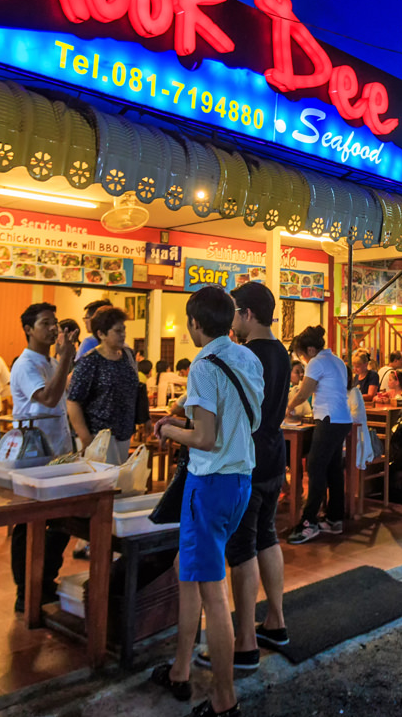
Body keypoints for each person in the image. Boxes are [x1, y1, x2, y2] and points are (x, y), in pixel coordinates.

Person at [149, 287, 258, 717]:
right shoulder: (246, 357)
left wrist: (169, 430)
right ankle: (179, 668)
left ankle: (224, 700)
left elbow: (205, 438)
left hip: (208, 485)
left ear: (194, 324)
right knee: (188, 571)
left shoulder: (203, 365)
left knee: (214, 592)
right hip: (239, 481)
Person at [205, 281, 291, 673]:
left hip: (246, 461)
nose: (231, 322)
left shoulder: (245, 356)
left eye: (235, 312)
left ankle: (244, 643)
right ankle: (276, 621)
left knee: (241, 549)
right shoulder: (283, 353)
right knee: (267, 537)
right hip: (274, 456)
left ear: (247, 314)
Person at [9, 303, 79, 613]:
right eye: (46, 323)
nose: (53, 329)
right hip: (33, 455)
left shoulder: (50, 361)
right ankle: (26, 590)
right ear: (28, 329)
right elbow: (49, 398)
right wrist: (66, 359)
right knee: (31, 524)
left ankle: (44, 580)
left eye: (55, 323)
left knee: (60, 521)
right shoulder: (26, 364)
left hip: (56, 453)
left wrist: (64, 360)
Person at [285, 326, 351, 546]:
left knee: (314, 467)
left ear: (310, 350)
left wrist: (287, 408)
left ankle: (309, 522)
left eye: (302, 355)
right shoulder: (338, 361)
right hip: (342, 419)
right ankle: (334, 518)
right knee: (332, 468)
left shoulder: (317, 362)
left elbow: (303, 392)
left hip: (329, 418)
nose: (302, 360)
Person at [65, 306, 145, 463]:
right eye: (117, 331)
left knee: (119, 481)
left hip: (124, 432)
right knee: (104, 482)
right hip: (98, 435)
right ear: (101, 334)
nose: (123, 335)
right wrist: (86, 439)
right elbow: (73, 402)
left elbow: (135, 388)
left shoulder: (127, 356)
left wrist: (144, 418)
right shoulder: (89, 362)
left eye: (124, 329)